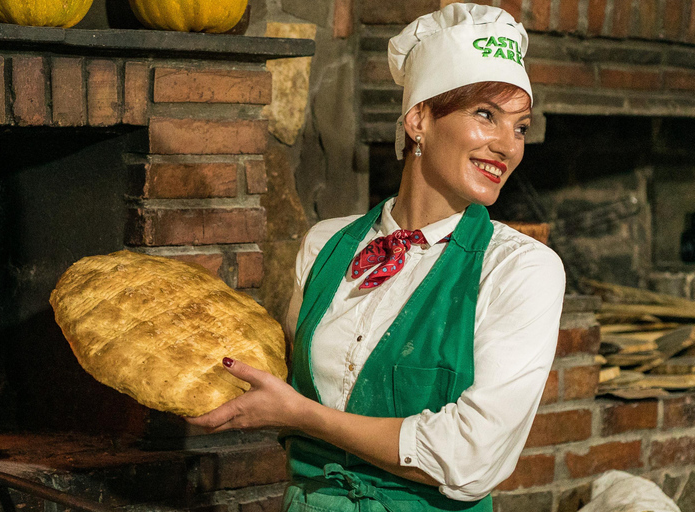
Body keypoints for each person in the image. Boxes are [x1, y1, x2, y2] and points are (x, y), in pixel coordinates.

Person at [187, 3, 566, 511]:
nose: (507, 146)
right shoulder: (325, 245)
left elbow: (471, 458)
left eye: (519, 127)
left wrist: (303, 418)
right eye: (485, 115)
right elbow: (285, 379)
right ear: (419, 120)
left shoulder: (521, 270)